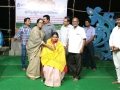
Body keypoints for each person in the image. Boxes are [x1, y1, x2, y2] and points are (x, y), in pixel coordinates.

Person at [109, 16, 120, 84]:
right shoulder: (114, 29)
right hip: (114, 50)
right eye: (117, 20)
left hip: (119, 50)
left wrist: (118, 47)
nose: (118, 21)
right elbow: (111, 38)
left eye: (119, 20)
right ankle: (119, 80)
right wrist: (111, 46)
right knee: (117, 66)